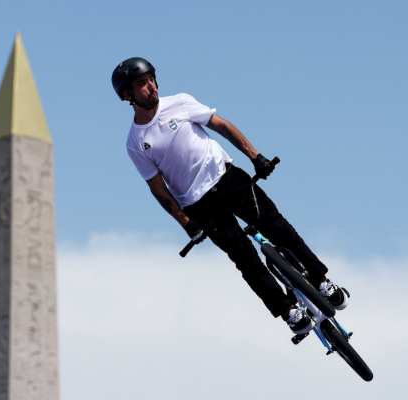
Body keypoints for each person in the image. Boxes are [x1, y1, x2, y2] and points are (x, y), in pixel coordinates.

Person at [111, 57, 349, 335]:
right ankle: (289, 312)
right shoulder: (135, 143)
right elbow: (157, 188)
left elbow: (221, 125)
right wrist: (186, 223)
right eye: (142, 84)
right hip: (201, 206)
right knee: (245, 259)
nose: (151, 87)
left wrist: (255, 156)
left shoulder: (180, 102)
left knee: (278, 226)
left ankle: (321, 281)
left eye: (151, 79)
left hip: (230, 179)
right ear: (128, 95)